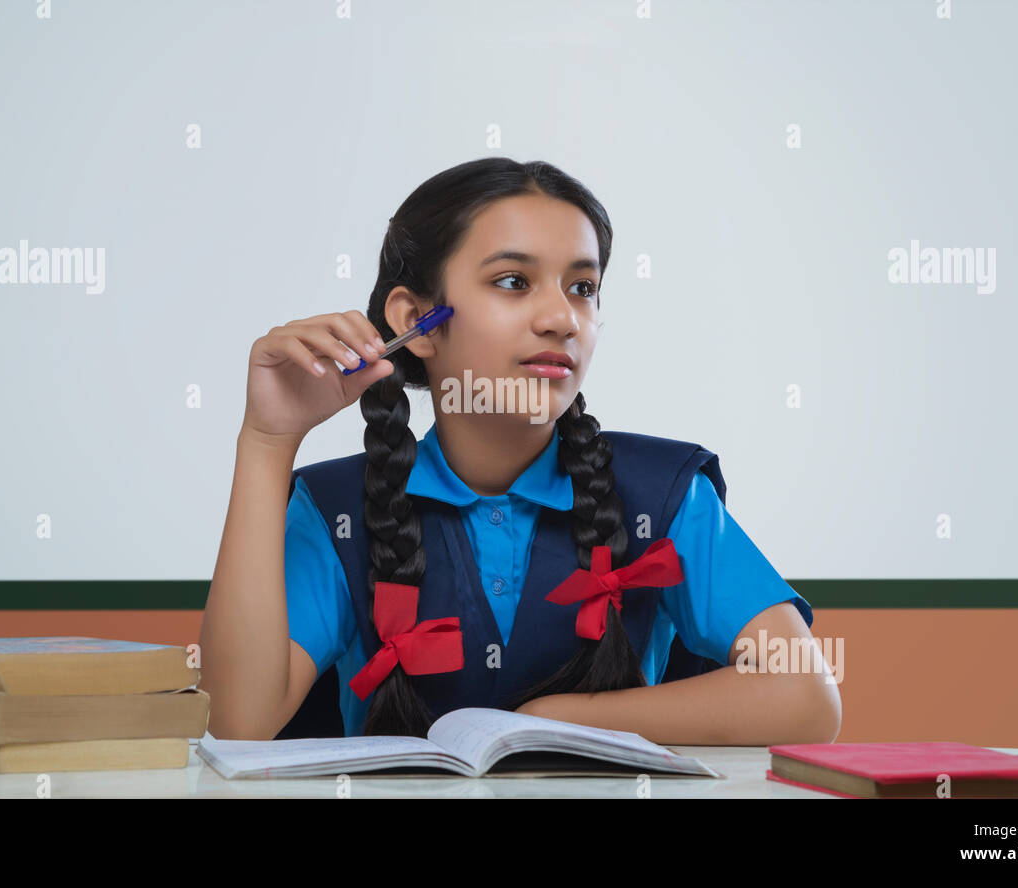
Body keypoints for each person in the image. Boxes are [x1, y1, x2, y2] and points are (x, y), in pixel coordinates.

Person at [199, 157, 841, 745]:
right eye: (513, 281)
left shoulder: (665, 494)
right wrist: (267, 441)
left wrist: (550, 722)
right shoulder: (336, 507)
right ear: (414, 322)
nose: (562, 318)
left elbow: (805, 695)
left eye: (582, 288)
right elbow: (236, 718)